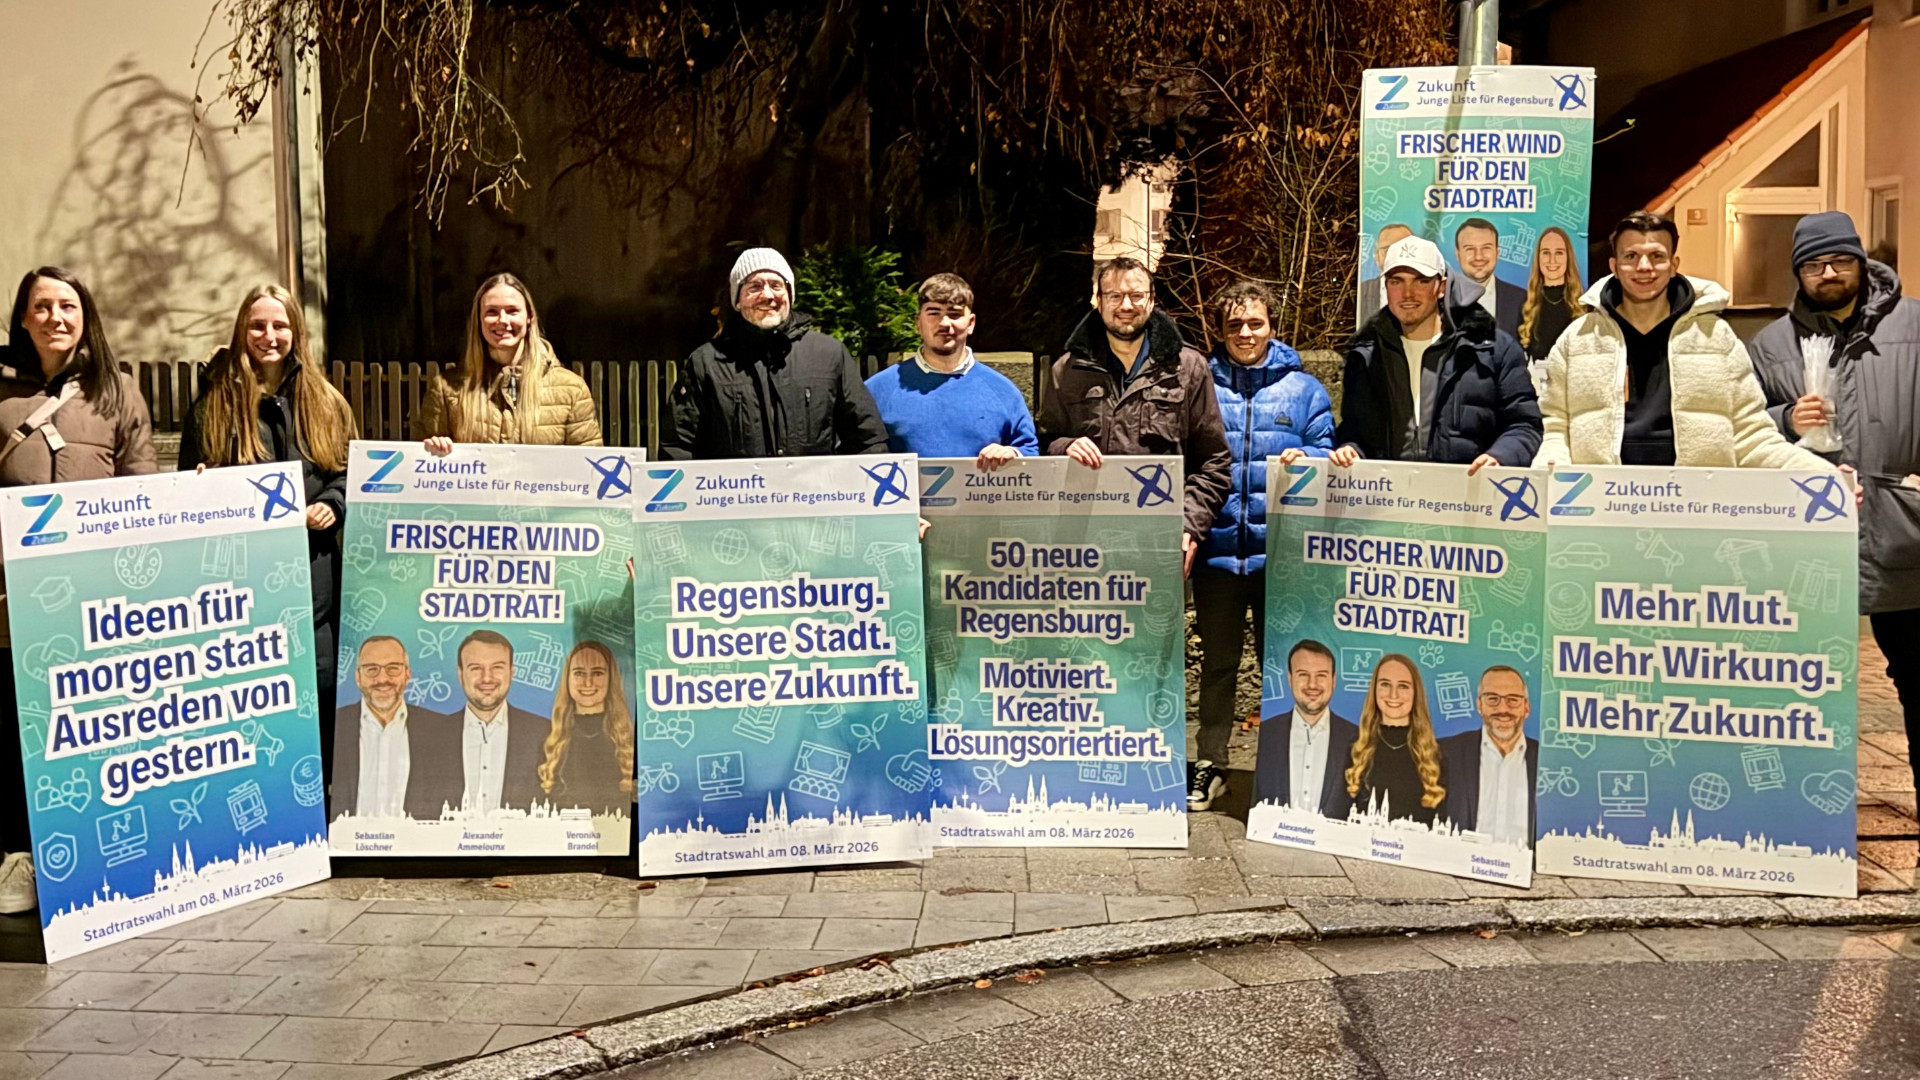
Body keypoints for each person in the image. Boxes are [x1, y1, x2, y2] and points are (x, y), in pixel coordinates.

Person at [1035, 256, 1233, 808]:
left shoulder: (1188, 369)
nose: (1126, 305)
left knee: (1155, 662)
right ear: (1097, 301)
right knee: (1088, 661)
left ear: (1152, 299)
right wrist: (1060, 449)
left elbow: (1214, 463)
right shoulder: (1065, 369)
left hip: (1158, 553)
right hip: (1086, 557)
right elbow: (1043, 441)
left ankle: (1149, 777)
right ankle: (1088, 776)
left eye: (1137, 294)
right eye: (1115, 295)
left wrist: (1190, 529)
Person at [0, 267, 156, 914]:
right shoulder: (1, 396)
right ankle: (18, 857)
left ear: (86, 316)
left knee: (88, 723)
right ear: (23, 318)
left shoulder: (119, 395)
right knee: (16, 726)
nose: (55, 318)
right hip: (12, 597)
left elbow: (143, 489)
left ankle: (95, 849)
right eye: (42, 307)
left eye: (67, 306)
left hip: (95, 599)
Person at [1747, 211, 1920, 791]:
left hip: (1903, 530)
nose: (1828, 273)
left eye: (1840, 260)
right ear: (1798, 272)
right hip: (1805, 541)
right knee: (1795, 684)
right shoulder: (1772, 344)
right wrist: (1784, 419)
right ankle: (1797, 827)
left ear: (1860, 261)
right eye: (1814, 264)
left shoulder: (1913, 328)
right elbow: (1740, 429)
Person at [181, 284, 355, 782]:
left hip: (315, 573)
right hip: (243, 581)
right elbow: (189, 484)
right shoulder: (213, 405)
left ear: (296, 332)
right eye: (257, 325)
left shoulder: (326, 401)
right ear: (242, 332)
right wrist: (196, 490)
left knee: (320, 688)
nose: (268, 336)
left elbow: (347, 471)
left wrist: (332, 505)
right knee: (255, 695)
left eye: (279, 325)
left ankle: (319, 804)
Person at [1531, 212, 1836, 472]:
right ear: (1613, 266)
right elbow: (1556, 427)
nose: (1644, 267)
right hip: (1598, 507)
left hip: (1692, 511)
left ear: (1674, 264)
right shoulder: (1578, 339)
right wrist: (1550, 473)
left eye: (1657, 256)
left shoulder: (1717, 339)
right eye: (1631, 256)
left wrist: (1826, 476)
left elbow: (1751, 436)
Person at [1190, 281, 1333, 809]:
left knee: (1287, 664)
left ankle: (1289, 768)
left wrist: (1310, 463)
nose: (1245, 333)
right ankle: (1210, 763)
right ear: (1220, 331)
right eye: (1234, 325)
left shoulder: (1304, 389)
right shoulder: (1201, 383)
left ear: (1273, 324)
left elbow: (1327, 450)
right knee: (1220, 664)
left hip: (1283, 557)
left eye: (1255, 323)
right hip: (1218, 553)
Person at [1333, 236, 1541, 470]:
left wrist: (1500, 456)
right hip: (1386, 498)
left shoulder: (1493, 348)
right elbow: (1353, 430)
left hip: (1469, 499)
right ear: (1386, 287)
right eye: (1396, 281)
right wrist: (1350, 448)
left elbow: (1524, 424)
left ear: (1441, 287)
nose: (1407, 293)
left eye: (1421, 281)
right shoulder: (1364, 355)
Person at [661, 248, 890, 459]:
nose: (768, 295)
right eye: (754, 287)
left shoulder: (830, 355)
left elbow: (867, 441)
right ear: (737, 301)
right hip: (737, 501)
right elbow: (678, 447)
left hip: (811, 500)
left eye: (776, 285)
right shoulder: (706, 363)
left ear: (789, 295)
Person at [863, 273, 1037, 467]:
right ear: (918, 323)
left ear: (971, 324)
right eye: (933, 313)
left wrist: (1012, 453)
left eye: (954, 314)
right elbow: (851, 454)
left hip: (979, 497)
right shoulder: (877, 390)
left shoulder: (1003, 390)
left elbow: (1030, 452)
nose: (945, 323)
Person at [416, 272, 601, 453]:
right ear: (479, 320)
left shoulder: (571, 390)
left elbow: (589, 468)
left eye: (512, 311)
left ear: (529, 318)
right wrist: (433, 451)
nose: (502, 320)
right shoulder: (445, 389)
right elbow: (420, 466)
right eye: (492, 312)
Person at [330, 636, 458, 819]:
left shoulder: (443, 731)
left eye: (393, 668)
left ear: (407, 675)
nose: (382, 679)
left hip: (417, 843)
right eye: (372, 669)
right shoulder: (333, 727)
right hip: (346, 844)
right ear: (358, 677)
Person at [444, 630, 550, 815]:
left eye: (497, 667)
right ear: (460, 675)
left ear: (511, 672)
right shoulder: (431, 737)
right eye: (476, 668)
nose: (487, 678)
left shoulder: (546, 734)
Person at [1330, 654, 1444, 826]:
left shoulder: (1437, 757)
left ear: (1416, 693)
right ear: (1374, 690)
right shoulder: (1352, 749)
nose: (1393, 694)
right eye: (1385, 684)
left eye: (1403, 686)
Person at [1252, 640, 1359, 814]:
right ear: (1290, 678)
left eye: (1321, 675)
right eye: (1303, 674)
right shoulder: (1266, 734)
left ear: (1333, 680)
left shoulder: (1358, 739)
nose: (1312, 685)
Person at [1437, 667, 1536, 846]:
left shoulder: (1547, 761)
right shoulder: (1444, 753)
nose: (1502, 708)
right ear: (1479, 705)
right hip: (1458, 870)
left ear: (1526, 708)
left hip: (1529, 872)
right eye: (1492, 699)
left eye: (1513, 700)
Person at [538, 641, 637, 815]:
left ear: (611, 678)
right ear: (567, 679)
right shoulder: (546, 738)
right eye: (579, 673)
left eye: (597, 673)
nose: (588, 682)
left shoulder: (632, 740)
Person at [1518, 227, 1586, 363]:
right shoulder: (1525, 305)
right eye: (1546, 253)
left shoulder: (1584, 305)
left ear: (1568, 257)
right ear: (1538, 258)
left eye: (1559, 253)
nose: (1552, 260)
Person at [1454, 218, 1527, 341]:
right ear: (1458, 254)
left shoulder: (1523, 300)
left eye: (1486, 248)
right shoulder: (1439, 302)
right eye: (1470, 249)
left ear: (1497, 252)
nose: (1478, 256)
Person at [1356, 223, 1415, 326]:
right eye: (1387, 250)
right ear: (1376, 257)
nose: (1395, 256)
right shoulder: (1360, 292)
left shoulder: (1436, 292)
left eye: (1403, 249)